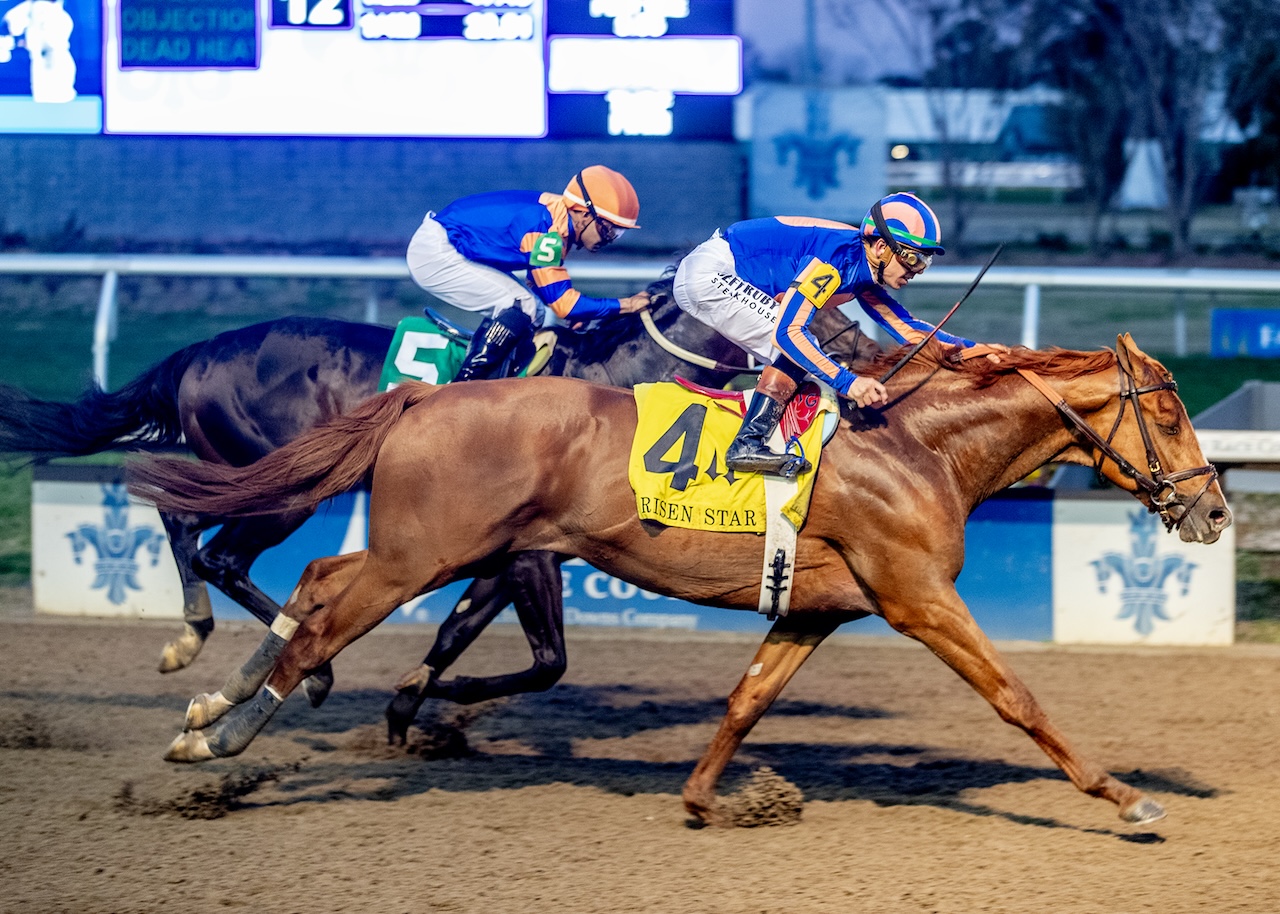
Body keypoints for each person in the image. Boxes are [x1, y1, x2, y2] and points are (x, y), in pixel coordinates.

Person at [674, 191, 976, 478]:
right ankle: (748, 444)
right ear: (882, 248)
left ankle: (763, 437)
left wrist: (976, 350)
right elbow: (788, 333)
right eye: (912, 258)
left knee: (809, 356)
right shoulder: (833, 259)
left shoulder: (863, 268)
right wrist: (849, 383)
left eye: (925, 261)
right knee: (799, 347)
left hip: (721, 271)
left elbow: (907, 329)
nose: (918, 270)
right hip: (712, 274)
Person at [407, 165, 652, 382]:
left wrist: (583, 311)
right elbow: (565, 305)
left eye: (618, 234)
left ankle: (488, 378)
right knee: (524, 306)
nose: (609, 240)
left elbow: (541, 286)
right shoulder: (546, 231)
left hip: (450, 244)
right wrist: (627, 305)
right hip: (436, 251)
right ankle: (463, 389)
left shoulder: (557, 221)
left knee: (531, 308)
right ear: (584, 214)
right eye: (608, 230)